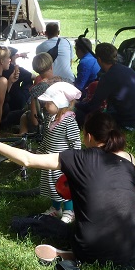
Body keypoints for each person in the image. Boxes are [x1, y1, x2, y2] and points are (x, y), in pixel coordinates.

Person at [0, 111, 135, 270]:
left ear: (89, 136)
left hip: (88, 246)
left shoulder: (76, 158)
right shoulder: (130, 159)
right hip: (128, 246)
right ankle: (77, 255)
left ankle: (75, 255)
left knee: (47, 225)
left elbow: (28, 160)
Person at [36, 82, 82, 224]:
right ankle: (56, 208)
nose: (45, 106)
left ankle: (69, 210)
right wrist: (40, 151)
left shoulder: (68, 121)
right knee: (52, 186)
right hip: (50, 161)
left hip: (63, 163)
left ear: (60, 103)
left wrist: (75, 161)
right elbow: (47, 138)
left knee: (64, 186)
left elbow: (76, 142)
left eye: (48, 103)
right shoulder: (51, 119)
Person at [75, 43, 135, 130]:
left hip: (129, 124)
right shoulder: (127, 70)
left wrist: (76, 104)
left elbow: (92, 107)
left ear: (99, 59)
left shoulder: (108, 77)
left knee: (80, 114)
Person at [2, 47, 33, 112]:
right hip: (17, 100)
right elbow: (33, 76)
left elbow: (13, 57)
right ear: (10, 58)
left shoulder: (0, 69)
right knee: (28, 80)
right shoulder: (16, 70)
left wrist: (20, 55)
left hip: (7, 99)